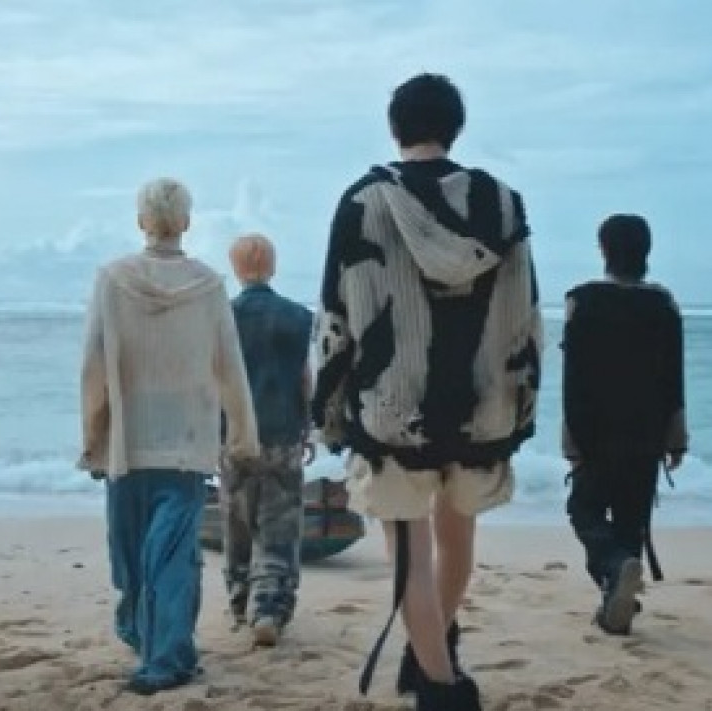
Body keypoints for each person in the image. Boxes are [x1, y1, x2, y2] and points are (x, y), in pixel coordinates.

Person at [312, 74, 542, 711]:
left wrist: (328, 410)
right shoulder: (501, 204)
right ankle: (432, 654)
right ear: (455, 127)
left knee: (409, 554)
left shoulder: (363, 201)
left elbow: (335, 317)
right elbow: (525, 313)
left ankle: (441, 688)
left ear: (395, 128)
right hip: (481, 406)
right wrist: (520, 403)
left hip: (391, 408)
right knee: (458, 541)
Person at [78, 178, 259, 695]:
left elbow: (93, 365)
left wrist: (93, 434)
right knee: (173, 556)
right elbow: (230, 365)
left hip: (127, 439)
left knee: (132, 555)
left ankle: (156, 649)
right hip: (186, 438)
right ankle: (164, 650)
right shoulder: (209, 285)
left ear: (142, 221)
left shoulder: (112, 279)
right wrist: (243, 435)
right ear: (186, 222)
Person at [561, 213, 689, 636]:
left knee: (584, 511)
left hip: (594, 430)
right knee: (631, 521)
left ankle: (615, 571)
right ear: (646, 251)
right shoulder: (664, 305)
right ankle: (618, 602)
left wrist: (571, 442)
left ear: (603, 250)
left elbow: (574, 377)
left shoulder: (581, 301)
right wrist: (676, 438)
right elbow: (674, 377)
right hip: (646, 433)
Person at [220, 233, 315, 647]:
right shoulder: (298, 316)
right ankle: (269, 607)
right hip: (282, 432)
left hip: (234, 434)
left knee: (238, 521)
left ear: (236, 268)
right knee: (280, 522)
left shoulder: (224, 317)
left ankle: (241, 598)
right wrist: (307, 425)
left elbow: (215, 382)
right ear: (272, 266)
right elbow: (304, 379)